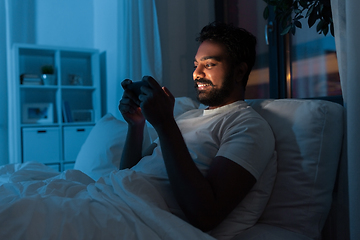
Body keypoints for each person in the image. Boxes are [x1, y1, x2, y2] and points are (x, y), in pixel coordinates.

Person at [118, 22, 275, 232]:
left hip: (133, 220)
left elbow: (206, 216)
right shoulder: (188, 117)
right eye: (195, 65)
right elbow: (128, 174)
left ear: (239, 72)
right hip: (111, 198)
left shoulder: (248, 126)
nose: (196, 73)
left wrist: (165, 124)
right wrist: (136, 126)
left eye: (209, 65)